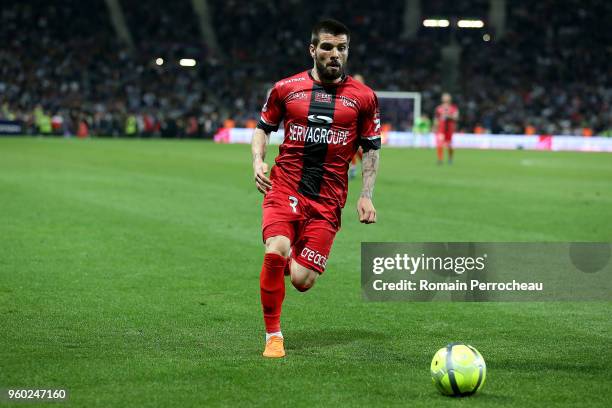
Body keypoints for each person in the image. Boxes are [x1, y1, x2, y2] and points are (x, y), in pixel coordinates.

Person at [251, 19, 381, 358]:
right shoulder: (285, 88)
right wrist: (257, 161)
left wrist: (366, 195)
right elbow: (262, 128)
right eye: (327, 47)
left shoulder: (364, 98)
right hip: (285, 186)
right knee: (276, 247)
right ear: (313, 50)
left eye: (341, 48)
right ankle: (273, 336)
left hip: (327, 201)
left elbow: (371, 148)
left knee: (302, 281)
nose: (334, 54)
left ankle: (294, 256)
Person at [434, 93, 459, 164]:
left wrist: (448, 116)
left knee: (449, 145)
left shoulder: (453, 108)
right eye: (444, 97)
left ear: (450, 99)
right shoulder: (439, 108)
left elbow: (456, 117)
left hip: (449, 129)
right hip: (441, 129)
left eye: (447, 97)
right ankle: (440, 159)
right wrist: (435, 127)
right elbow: (436, 119)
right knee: (439, 143)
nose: (445, 99)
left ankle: (450, 159)